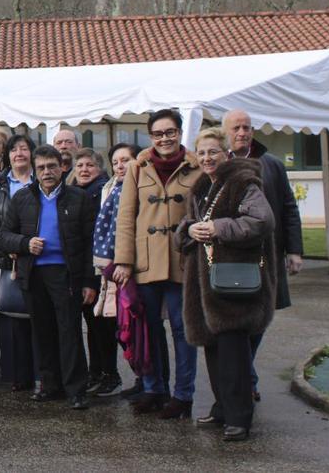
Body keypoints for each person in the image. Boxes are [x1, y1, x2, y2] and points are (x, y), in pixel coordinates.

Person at [177, 128, 277, 442]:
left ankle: (239, 418)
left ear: (226, 154)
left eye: (213, 152)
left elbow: (261, 221)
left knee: (234, 355)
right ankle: (223, 409)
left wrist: (218, 228)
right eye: (202, 153)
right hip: (206, 284)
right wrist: (190, 230)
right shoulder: (203, 185)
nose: (207, 158)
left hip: (234, 283)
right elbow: (189, 226)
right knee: (215, 351)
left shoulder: (242, 181)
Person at [112, 108, 202, 419]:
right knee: (147, 328)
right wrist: (123, 261)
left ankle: (183, 395)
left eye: (170, 132)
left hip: (182, 261)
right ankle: (153, 388)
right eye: (158, 134)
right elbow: (126, 217)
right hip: (145, 262)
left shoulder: (196, 167)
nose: (164, 138)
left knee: (182, 329)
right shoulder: (139, 167)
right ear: (151, 137)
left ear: (179, 133)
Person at [0, 145, 97, 410]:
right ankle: (50, 385)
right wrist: (24, 243)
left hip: (66, 273)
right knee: (41, 331)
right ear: (34, 170)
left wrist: (89, 281)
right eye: (40, 168)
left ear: (62, 167)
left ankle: (76, 389)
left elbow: (90, 243)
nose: (47, 172)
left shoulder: (79, 198)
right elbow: (5, 235)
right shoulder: (22, 198)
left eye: (51, 166)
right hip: (34, 273)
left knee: (69, 331)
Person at [222, 109, 303, 400]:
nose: (242, 132)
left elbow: (288, 208)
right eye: (236, 128)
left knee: (261, 318)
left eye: (246, 127)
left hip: (267, 254)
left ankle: (247, 372)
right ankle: (248, 379)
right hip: (230, 257)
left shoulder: (272, 165)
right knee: (236, 320)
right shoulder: (218, 163)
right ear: (226, 132)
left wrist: (294, 250)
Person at [0, 133, 37, 391]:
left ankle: (40, 371)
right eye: (14, 150)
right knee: (9, 314)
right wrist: (10, 244)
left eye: (24, 149)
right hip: (2, 256)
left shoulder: (41, 181)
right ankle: (15, 375)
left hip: (37, 256)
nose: (19, 154)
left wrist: (27, 246)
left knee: (37, 315)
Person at [88, 143, 139, 398]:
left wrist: (124, 262)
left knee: (133, 328)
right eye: (116, 161)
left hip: (129, 267)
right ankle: (129, 376)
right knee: (112, 326)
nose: (120, 165)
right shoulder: (110, 188)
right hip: (106, 267)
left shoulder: (138, 187)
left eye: (126, 160)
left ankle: (146, 379)